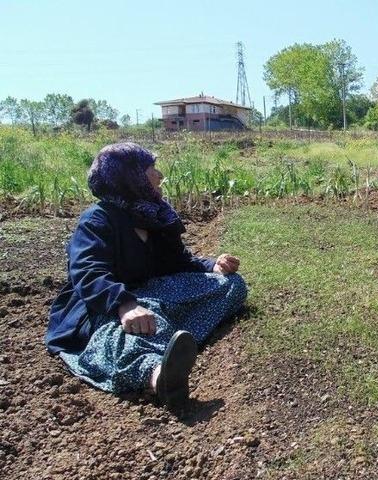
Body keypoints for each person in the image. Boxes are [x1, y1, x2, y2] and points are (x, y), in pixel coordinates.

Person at [46, 142, 248, 408]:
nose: (160, 175)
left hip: (149, 293)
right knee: (118, 335)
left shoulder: (154, 215)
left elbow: (178, 260)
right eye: (151, 168)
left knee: (231, 284)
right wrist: (125, 305)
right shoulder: (97, 220)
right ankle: (159, 376)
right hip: (102, 305)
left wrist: (212, 265)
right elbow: (87, 272)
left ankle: (168, 336)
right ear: (130, 177)